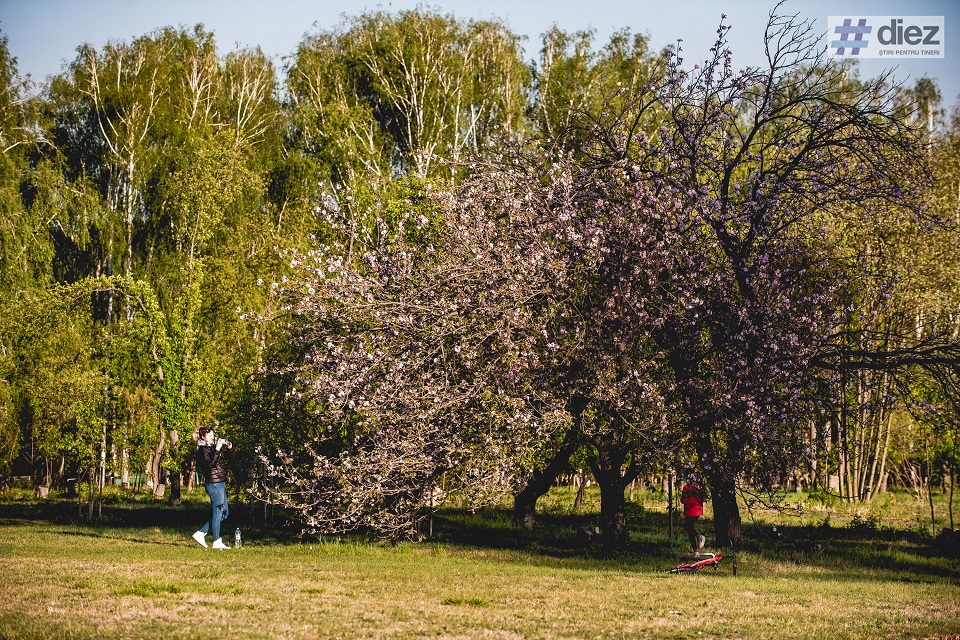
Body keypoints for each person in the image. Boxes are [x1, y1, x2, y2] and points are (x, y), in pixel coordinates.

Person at [192, 426, 233, 549]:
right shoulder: (202, 450)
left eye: (213, 436)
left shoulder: (211, 448)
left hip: (220, 482)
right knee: (217, 511)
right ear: (203, 437)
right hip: (213, 484)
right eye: (210, 436)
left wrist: (228, 449)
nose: (212, 438)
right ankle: (216, 541)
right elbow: (210, 464)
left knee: (224, 513)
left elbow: (224, 460)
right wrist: (217, 449)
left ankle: (201, 533)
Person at [680, 477, 707, 554]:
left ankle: (695, 550)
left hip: (690, 511)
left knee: (689, 529)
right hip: (698, 511)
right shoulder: (700, 487)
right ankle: (698, 537)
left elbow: (684, 501)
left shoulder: (686, 488)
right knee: (687, 527)